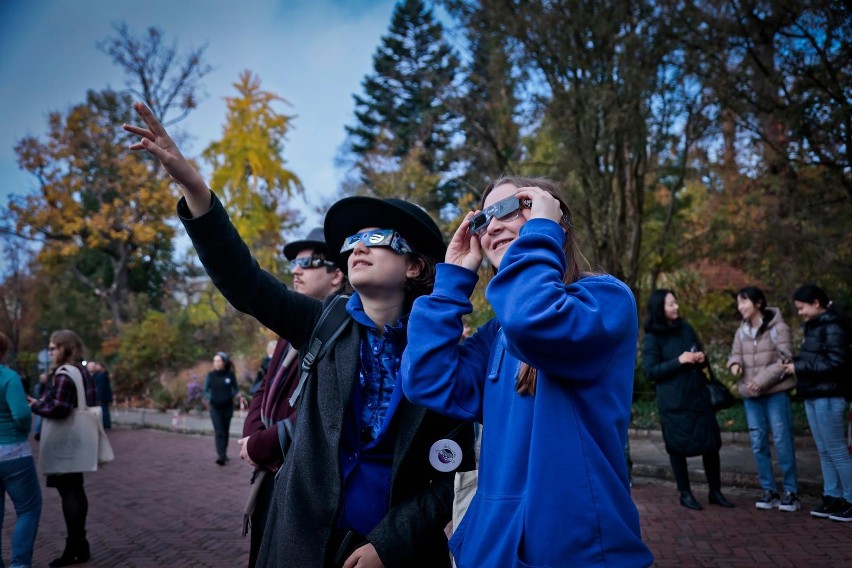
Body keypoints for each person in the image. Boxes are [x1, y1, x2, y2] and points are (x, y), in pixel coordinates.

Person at [124, 102, 473, 568]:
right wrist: (194, 188)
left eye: (375, 239)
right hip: (300, 542)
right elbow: (243, 280)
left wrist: (389, 545)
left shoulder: (441, 352)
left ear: (413, 265)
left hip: (390, 554)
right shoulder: (321, 322)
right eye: (351, 243)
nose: (356, 249)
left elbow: (450, 473)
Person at [402, 176, 653, 567]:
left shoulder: (605, 298)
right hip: (493, 549)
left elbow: (534, 320)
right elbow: (426, 380)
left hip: (576, 552)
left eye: (510, 208)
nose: (493, 225)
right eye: (483, 220)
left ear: (553, 221)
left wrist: (541, 232)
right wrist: (451, 281)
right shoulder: (497, 333)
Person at [238, 227, 345, 568]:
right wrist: (252, 434)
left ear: (336, 274)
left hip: (302, 479)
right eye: (294, 263)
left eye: (308, 262)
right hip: (270, 474)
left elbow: (325, 410)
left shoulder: (343, 331)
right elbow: (263, 387)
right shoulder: (289, 330)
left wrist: (261, 445)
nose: (296, 270)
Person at [642, 289, 734, 511]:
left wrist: (701, 358)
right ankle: (685, 493)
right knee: (677, 448)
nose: (676, 307)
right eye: (671, 304)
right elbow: (650, 371)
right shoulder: (653, 337)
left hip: (698, 397)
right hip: (675, 403)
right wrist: (680, 360)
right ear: (659, 308)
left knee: (711, 445)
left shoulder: (686, 328)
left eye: (676, 302)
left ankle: (715, 491)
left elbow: (698, 353)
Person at [782, 285, 852, 522]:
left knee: (837, 451)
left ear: (815, 303)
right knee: (824, 450)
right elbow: (816, 358)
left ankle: (850, 499)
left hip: (830, 396)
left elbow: (836, 363)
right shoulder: (815, 326)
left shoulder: (833, 326)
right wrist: (794, 361)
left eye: (802, 308)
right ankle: (832, 496)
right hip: (814, 394)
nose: (800, 313)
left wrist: (798, 367)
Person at [726, 286, 799, 511]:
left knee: (782, 439)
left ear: (758, 303)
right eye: (738, 303)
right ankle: (769, 490)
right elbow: (735, 353)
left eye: (744, 302)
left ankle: (790, 491)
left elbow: (785, 360)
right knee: (758, 443)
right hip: (751, 394)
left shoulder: (779, 328)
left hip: (775, 393)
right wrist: (734, 364)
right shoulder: (741, 331)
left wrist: (762, 380)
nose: (740, 307)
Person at [29, 330, 97, 567]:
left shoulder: (64, 374)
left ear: (65, 348)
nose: (50, 352)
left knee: (68, 491)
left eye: (53, 348)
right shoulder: (81, 371)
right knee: (77, 489)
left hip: (63, 442)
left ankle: (73, 547)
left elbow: (60, 408)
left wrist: (36, 407)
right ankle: (81, 543)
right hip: (79, 440)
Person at [0, 331, 42, 568]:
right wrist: (24, 430)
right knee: (28, 509)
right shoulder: (8, 377)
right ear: (3, 352)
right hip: (13, 453)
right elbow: (21, 414)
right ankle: (19, 564)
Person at [204, 352, 238, 466]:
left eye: (219, 361)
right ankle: (221, 456)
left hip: (227, 408)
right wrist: (210, 397)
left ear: (224, 362)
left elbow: (235, 388)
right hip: (215, 408)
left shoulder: (229, 375)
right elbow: (206, 390)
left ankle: (224, 453)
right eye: (215, 361)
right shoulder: (211, 375)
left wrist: (230, 395)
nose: (216, 363)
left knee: (225, 431)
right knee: (219, 432)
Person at [88, 362, 113, 430]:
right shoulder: (99, 375)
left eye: (97, 366)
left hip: (102, 396)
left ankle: (106, 425)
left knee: (104, 410)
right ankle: (106, 424)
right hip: (103, 396)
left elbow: (101, 387)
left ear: (102, 367)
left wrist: (99, 396)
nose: (96, 367)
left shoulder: (102, 375)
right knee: (104, 410)